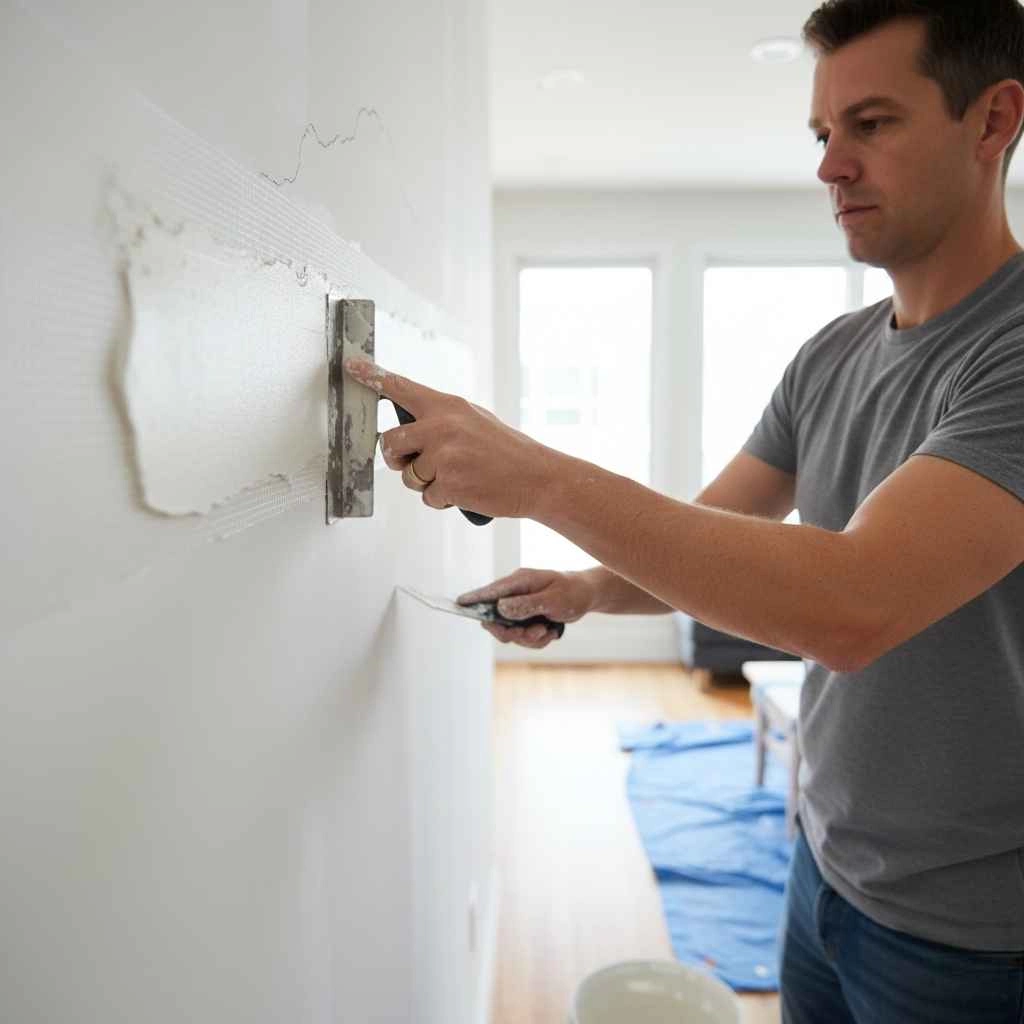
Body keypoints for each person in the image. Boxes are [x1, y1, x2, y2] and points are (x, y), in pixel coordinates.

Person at [345, 1, 1024, 1019]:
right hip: (823, 869)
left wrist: (536, 476)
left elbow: (852, 608)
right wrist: (579, 588)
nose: (830, 165)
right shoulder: (829, 358)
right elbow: (713, 526)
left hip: (972, 938)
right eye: (821, 133)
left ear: (991, 121)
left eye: (871, 124)